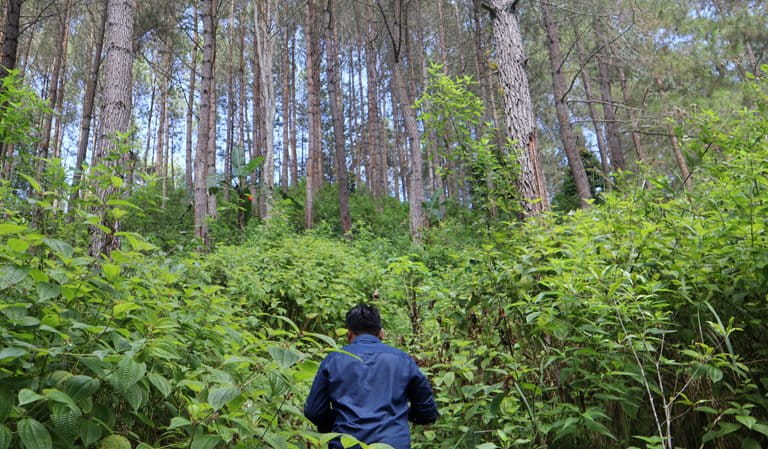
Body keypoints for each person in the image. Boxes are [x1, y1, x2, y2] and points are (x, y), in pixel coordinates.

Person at [304, 304, 439, 449]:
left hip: (346, 444)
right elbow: (427, 412)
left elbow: (314, 411)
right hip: (392, 444)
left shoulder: (333, 360)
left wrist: (336, 424)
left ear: (349, 335)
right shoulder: (403, 360)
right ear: (381, 333)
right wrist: (402, 418)